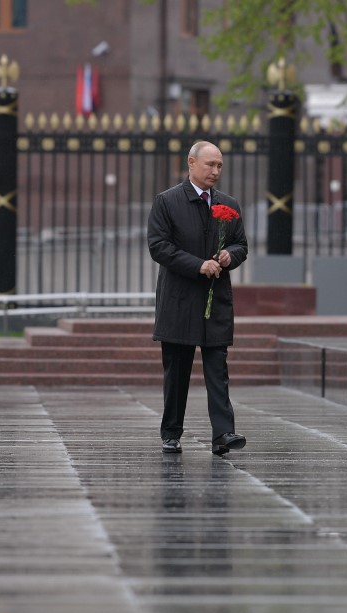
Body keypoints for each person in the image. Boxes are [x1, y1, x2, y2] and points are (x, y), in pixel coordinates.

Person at [147, 140, 249, 455]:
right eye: (210, 164)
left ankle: (223, 434)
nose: (215, 171)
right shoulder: (167, 201)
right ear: (191, 163)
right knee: (177, 369)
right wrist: (197, 265)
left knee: (217, 369)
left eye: (219, 166)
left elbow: (241, 244)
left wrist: (230, 256)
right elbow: (158, 246)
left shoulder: (228, 205)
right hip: (179, 301)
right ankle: (171, 432)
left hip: (214, 300)